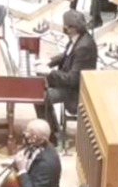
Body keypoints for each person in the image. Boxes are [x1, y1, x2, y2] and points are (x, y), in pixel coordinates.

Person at [35, 11, 98, 141]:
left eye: (66, 26)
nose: (64, 29)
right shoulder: (78, 38)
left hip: (75, 92)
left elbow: (73, 79)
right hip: (67, 83)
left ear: (72, 28)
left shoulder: (84, 47)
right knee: (36, 85)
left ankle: (51, 136)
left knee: (41, 97)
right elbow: (66, 55)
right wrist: (49, 62)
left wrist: (50, 72)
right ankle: (53, 127)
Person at [13, 119, 63, 187]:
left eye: (28, 132)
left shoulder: (46, 164)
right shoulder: (42, 145)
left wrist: (22, 170)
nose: (25, 133)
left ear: (36, 138)